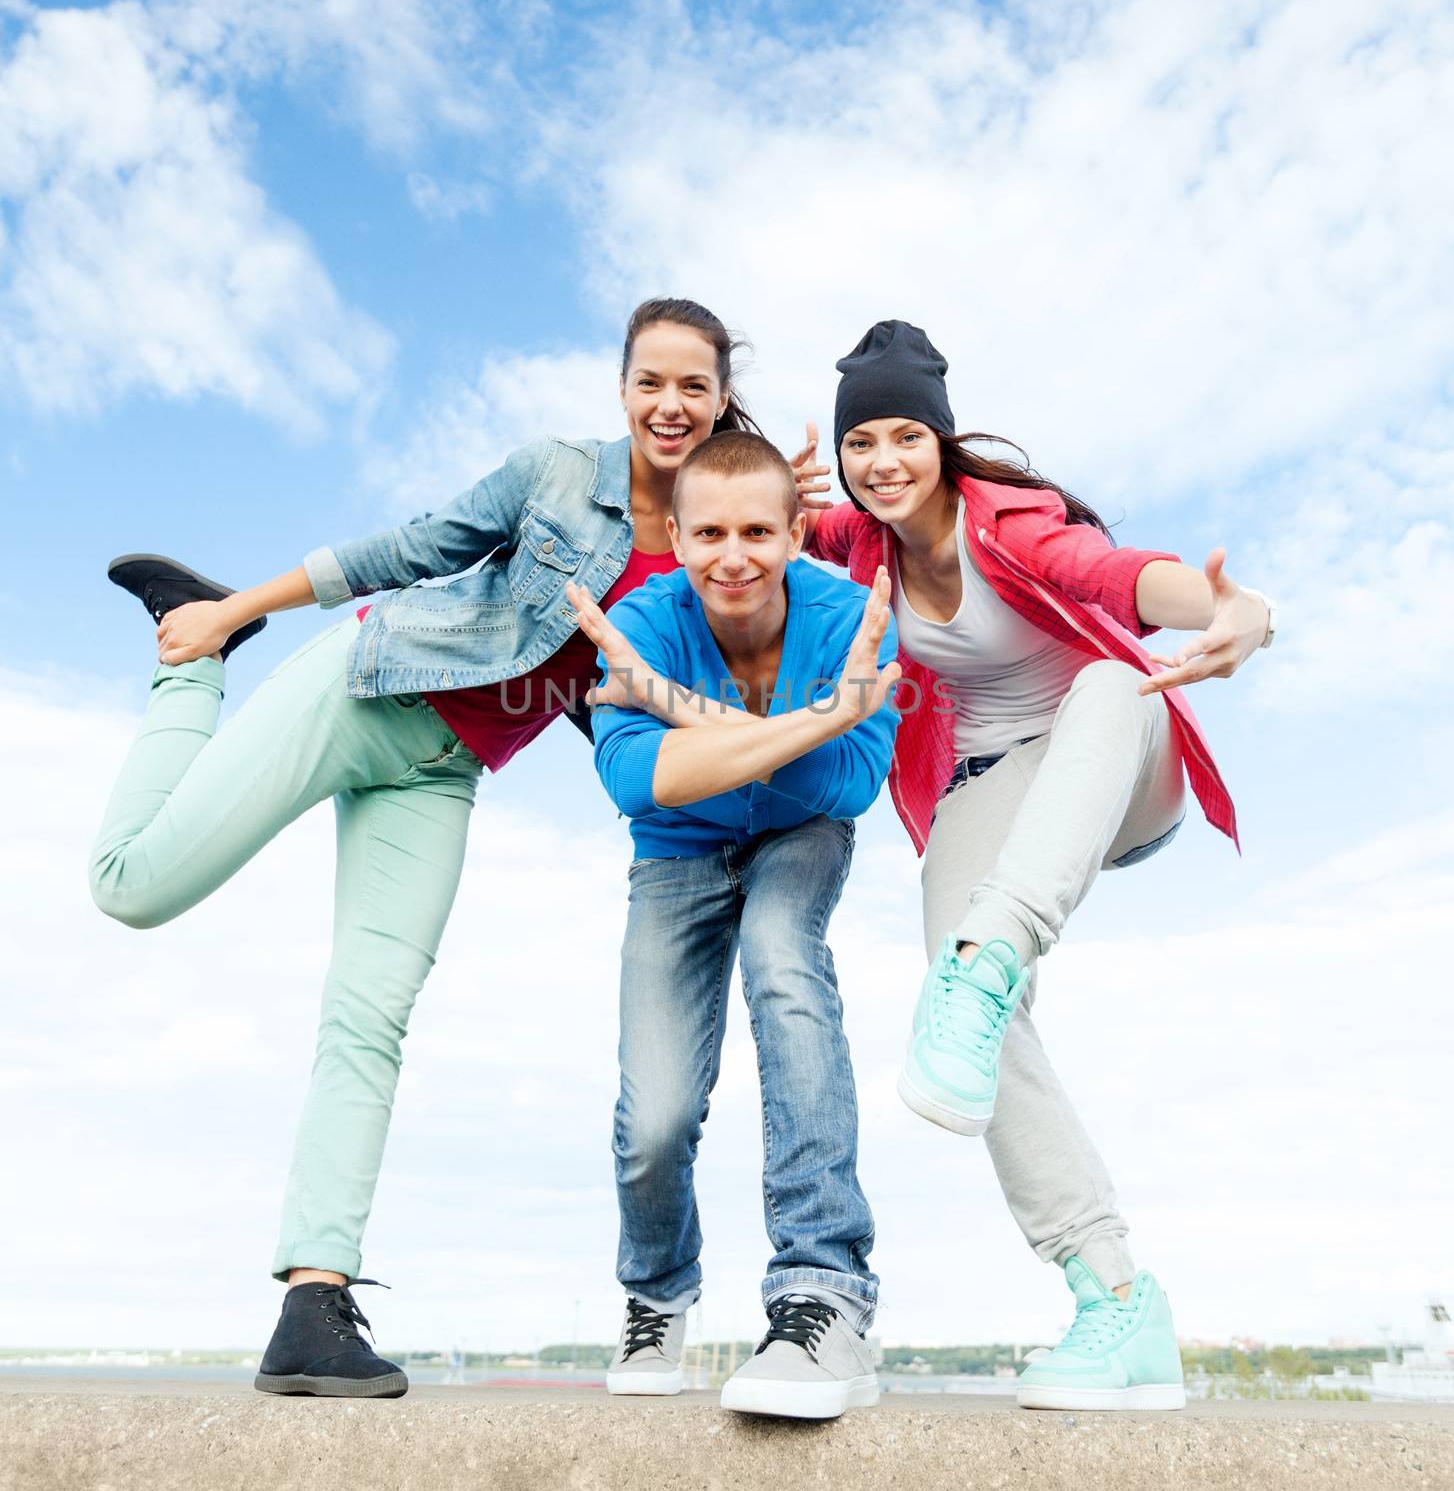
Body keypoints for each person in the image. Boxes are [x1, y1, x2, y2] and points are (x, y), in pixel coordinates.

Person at [89, 297, 757, 1399]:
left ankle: (313, 1300)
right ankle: (189, 666)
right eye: (651, 381)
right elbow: (407, 547)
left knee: (371, 1012)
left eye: (694, 385)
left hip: (441, 773)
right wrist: (231, 615)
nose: (670, 405)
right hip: (365, 686)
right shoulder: (554, 474)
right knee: (131, 887)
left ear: (720, 396)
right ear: (622, 388)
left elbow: (663, 695)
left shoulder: (702, 553)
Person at [794, 319, 1277, 1412]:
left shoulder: (1008, 522)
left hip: (1119, 753)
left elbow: (1114, 574)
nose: (880, 461)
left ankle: (992, 950)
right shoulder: (853, 541)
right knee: (963, 1017)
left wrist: (1241, 610)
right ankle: (1115, 1299)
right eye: (858, 440)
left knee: (1108, 682)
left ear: (942, 440)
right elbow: (723, 516)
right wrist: (765, 491)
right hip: (993, 783)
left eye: (903, 435)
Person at [565, 430, 900, 1420]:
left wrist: (673, 707)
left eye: (758, 529)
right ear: (675, 536)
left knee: (782, 966)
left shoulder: (851, 618)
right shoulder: (641, 618)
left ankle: (821, 1291)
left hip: (800, 836)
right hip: (675, 848)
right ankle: (656, 1291)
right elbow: (636, 780)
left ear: (796, 531)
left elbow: (850, 781)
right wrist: (815, 719)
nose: (733, 554)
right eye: (708, 532)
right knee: (656, 1111)